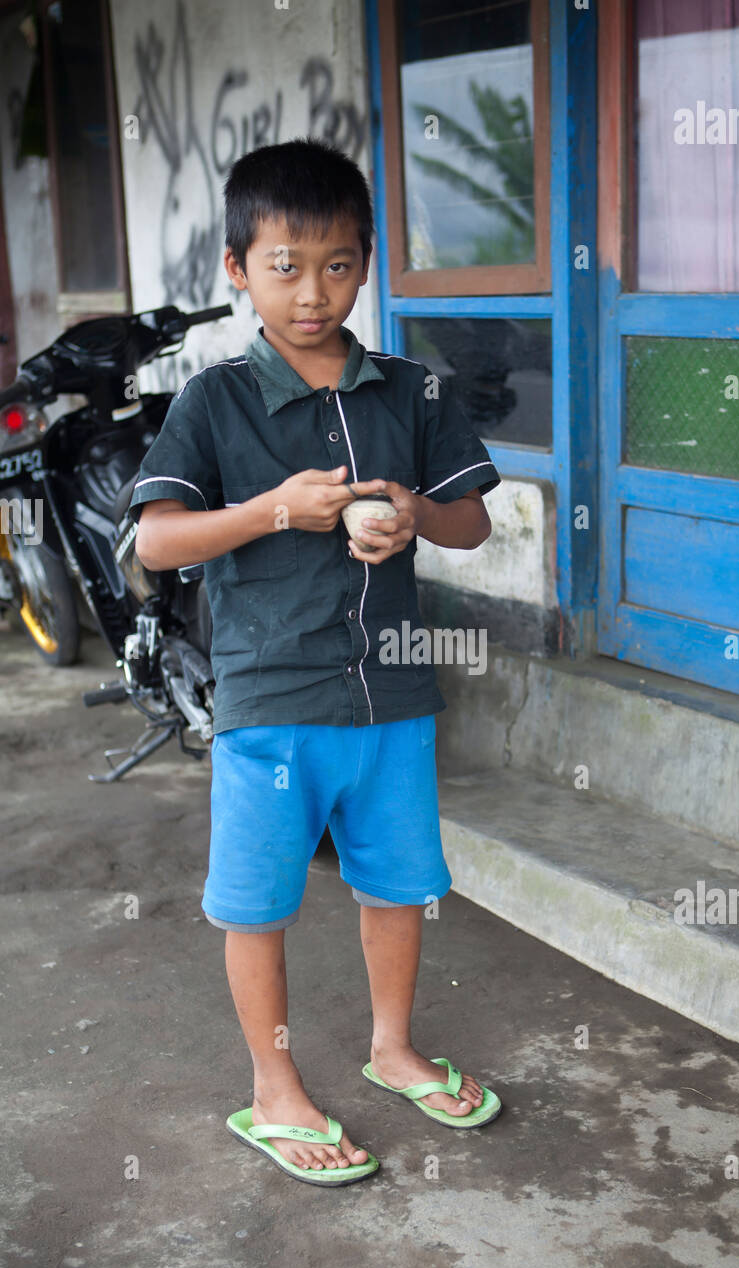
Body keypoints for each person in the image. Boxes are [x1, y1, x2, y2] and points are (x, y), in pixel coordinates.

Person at [130, 138, 503, 1187]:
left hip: (390, 693)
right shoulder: (210, 403)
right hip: (270, 697)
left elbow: (471, 521)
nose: (311, 290)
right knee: (256, 902)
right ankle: (272, 1086)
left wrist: (414, 515)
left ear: (368, 260)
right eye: (283, 266)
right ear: (236, 270)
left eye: (336, 264)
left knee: (395, 887)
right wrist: (268, 512)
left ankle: (390, 1048)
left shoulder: (409, 391)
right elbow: (156, 542)